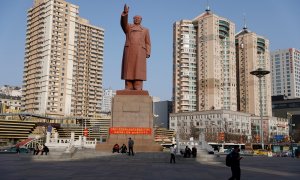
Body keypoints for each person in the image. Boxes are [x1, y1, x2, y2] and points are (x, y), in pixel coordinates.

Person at [120, 4, 151, 90]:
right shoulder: (128, 27)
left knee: (138, 69)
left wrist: (148, 52)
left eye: (139, 18)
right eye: (135, 18)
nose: (137, 19)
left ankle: (138, 84)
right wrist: (125, 13)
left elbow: (148, 42)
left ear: (141, 20)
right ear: (133, 19)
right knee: (128, 68)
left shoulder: (145, 30)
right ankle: (128, 85)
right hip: (129, 50)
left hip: (140, 51)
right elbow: (123, 23)